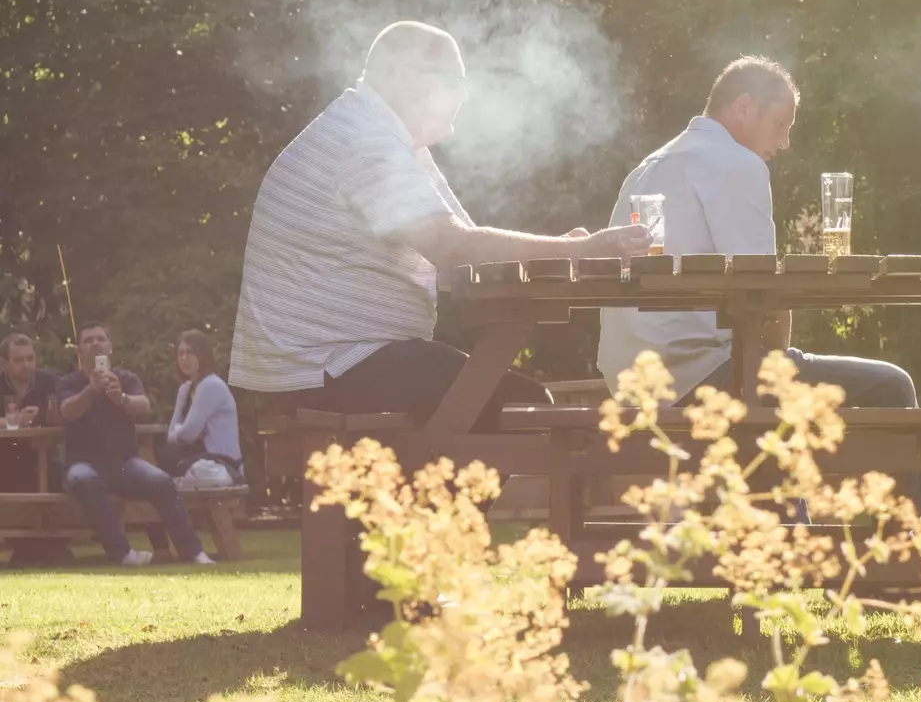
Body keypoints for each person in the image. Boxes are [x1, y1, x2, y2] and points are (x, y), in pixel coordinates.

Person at [229, 21, 652, 426]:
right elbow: (450, 247)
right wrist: (574, 250)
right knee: (525, 414)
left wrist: (565, 247)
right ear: (399, 74)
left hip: (325, 364)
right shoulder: (367, 141)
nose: (463, 95)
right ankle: (434, 504)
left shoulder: (389, 139)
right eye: (452, 80)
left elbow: (463, 245)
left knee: (505, 406)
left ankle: (427, 503)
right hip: (327, 367)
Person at [598, 56, 918, 410]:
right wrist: (779, 363)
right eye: (780, 124)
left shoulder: (647, 167)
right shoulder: (736, 162)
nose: (785, 143)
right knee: (893, 386)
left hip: (629, 387)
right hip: (696, 376)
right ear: (744, 108)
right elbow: (764, 290)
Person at [56, 322, 213, 566]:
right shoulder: (68, 382)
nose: (95, 343)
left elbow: (144, 406)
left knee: (161, 481)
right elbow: (67, 412)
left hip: (124, 464)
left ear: (110, 347)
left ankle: (193, 552)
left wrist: (121, 398)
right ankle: (122, 554)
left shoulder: (125, 378)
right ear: (79, 351)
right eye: (88, 340)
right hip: (82, 463)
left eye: (100, 338)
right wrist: (91, 390)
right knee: (85, 480)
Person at [160, 330, 244, 485]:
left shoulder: (210, 385)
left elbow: (188, 434)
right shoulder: (185, 390)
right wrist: (184, 431)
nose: (184, 358)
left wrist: (183, 431)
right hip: (199, 460)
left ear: (203, 355)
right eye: (181, 353)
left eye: (190, 352)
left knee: (179, 472)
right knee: (165, 454)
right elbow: (171, 437)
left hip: (222, 465)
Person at [1, 333, 60, 491]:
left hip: (45, 455)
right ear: (5, 363)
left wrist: (49, 414)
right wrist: (13, 421)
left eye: (30, 358)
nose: (26, 364)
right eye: (18, 360)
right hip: (5, 456)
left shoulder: (50, 382)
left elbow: (65, 415)